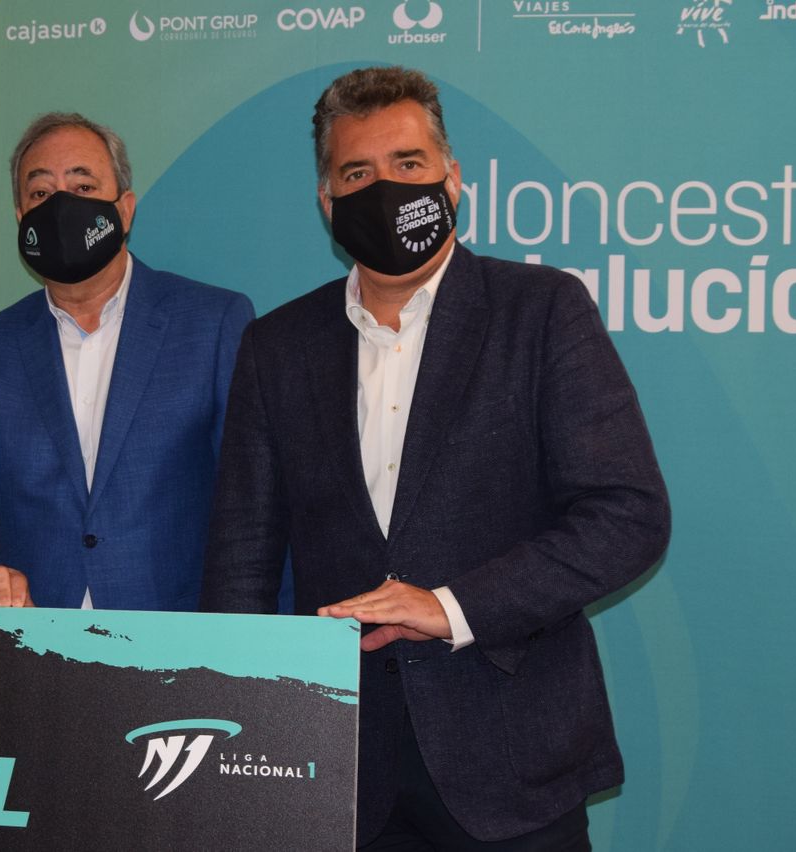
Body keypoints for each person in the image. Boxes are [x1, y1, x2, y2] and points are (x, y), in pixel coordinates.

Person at [200, 67, 671, 850]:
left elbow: (628, 516)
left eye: (408, 163)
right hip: (336, 774)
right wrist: (242, 733)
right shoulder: (276, 347)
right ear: (327, 201)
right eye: (358, 173)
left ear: (452, 179)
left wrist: (451, 607)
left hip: (512, 766)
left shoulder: (543, 311)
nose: (386, 188)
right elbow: (241, 565)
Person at [0, 112, 254, 610]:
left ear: (125, 210)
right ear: (20, 218)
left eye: (83, 186)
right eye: (41, 193)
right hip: (37, 640)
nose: (61, 206)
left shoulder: (213, 323)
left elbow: (255, 503)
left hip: (181, 637)